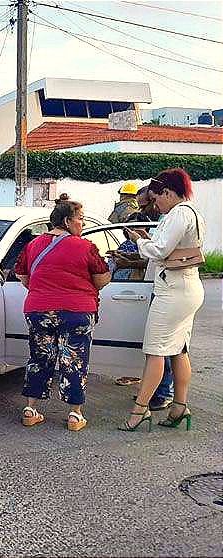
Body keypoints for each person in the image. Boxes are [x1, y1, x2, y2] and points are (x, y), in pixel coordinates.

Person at [15, 194, 112, 431]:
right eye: (80, 219)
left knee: (39, 358)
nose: (83, 224)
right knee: (74, 361)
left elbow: (22, 275)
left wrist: (43, 290)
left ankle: (30, 409)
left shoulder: (32, 245)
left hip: (38, 310)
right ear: (68, 221)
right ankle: (74, 415)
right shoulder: (86, 247)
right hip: (76, 312)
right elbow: (101, 279)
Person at [119, 168, 206, 432]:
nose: (155, 204)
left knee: (155, 352)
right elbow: (169, 247)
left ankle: (140, 410)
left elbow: (160, 250)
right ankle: (179, 406)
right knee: (179, 350)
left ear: (168, 193)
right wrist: (149, 241)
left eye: (157, 198)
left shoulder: (178, 213)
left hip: (173, 291)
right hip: (187, 287)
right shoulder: (193, 213)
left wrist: (139, 242)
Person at [112, 186, 175, 410]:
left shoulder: (169, 224)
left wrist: (133, 255)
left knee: (161, 348)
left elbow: (157, 257)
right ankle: (155, 392)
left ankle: (163, 393)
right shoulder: (162, 225)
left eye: (148, 203)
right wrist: (131, 255)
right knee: (159, 348)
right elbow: (152, 255)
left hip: (166, 292)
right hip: (162, 290)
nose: (148, 207)